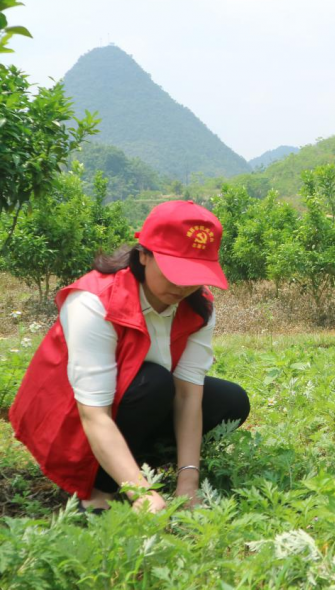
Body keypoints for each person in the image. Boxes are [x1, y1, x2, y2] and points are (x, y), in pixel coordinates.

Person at [10, 200, 250, 513]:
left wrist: (188, 483)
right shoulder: (94, 301)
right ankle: (99, 490)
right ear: (144, 255)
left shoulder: (199, 305)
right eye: (175, 272)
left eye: (194, 275)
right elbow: (93, 413)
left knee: (230, 402)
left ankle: (136, 461)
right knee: (154, 383)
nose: (183, 286)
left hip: (133, 403)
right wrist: (140, 492)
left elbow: (189, 394)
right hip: (72, 419)